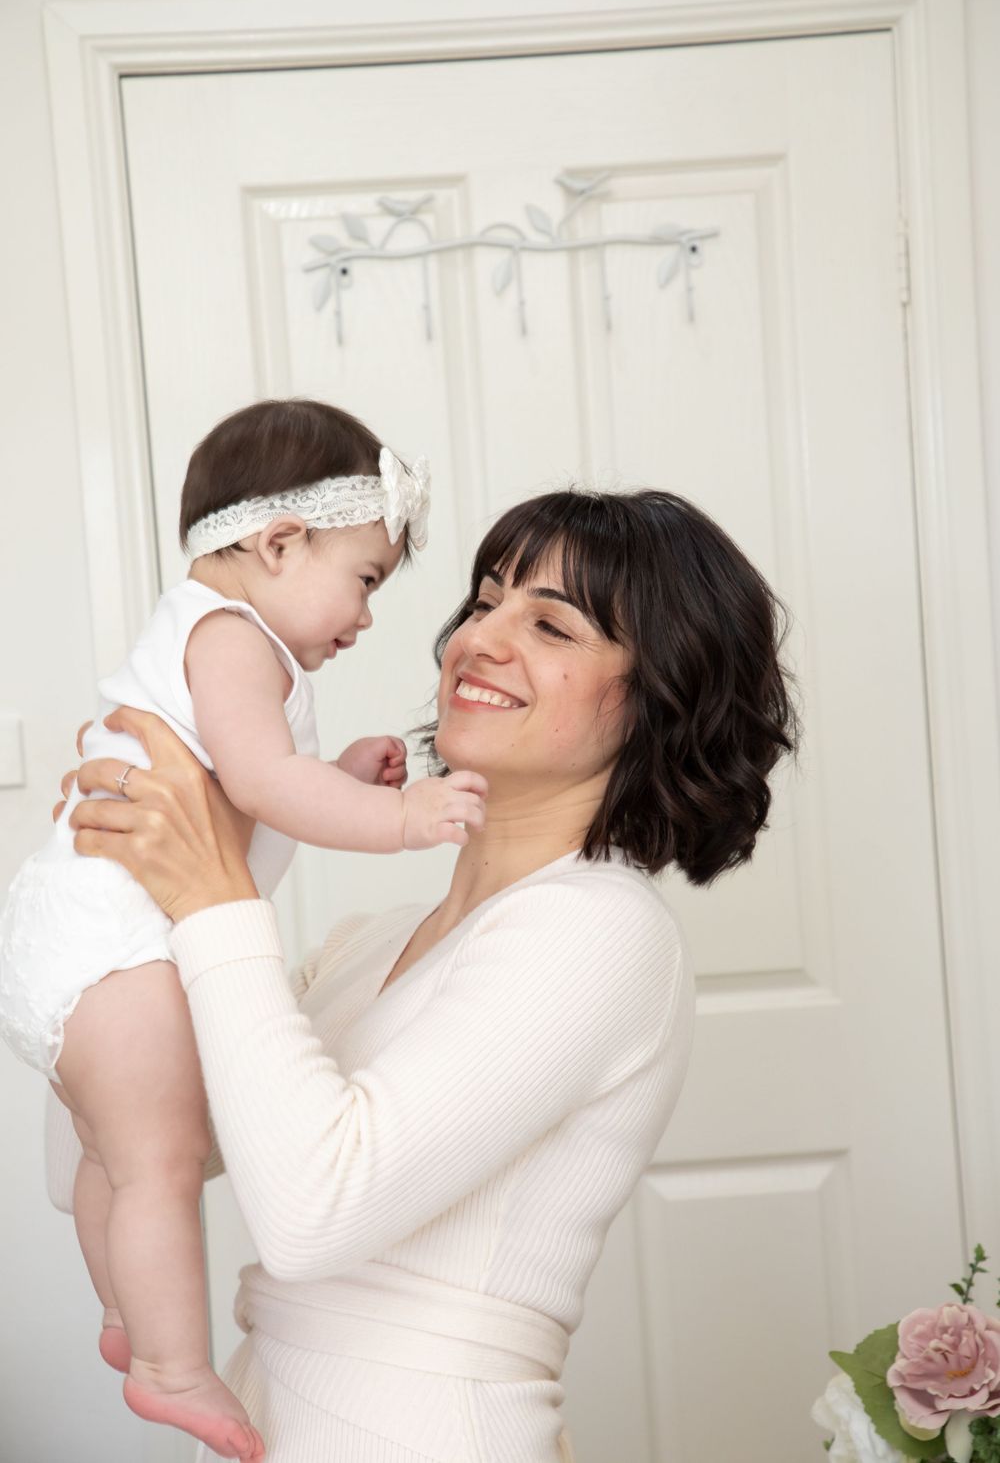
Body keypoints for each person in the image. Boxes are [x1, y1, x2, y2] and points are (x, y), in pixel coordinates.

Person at [47, 485, 800, 1463]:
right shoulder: (373, 942)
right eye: (483, 603)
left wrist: (209, 895)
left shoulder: (605, 932)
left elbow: (315, 1214)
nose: (479, 640)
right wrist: (103, 917)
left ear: (661, 694)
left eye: (551, 626)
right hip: (267, 1409)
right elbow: (111, 1157)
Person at [0, 399, 487, 1462]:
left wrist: (339, 778)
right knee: (161, 1163)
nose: (363, 619)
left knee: (112, 1158)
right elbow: (265, 783)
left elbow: (250, 790)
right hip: (118, 939)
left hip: (74, 934)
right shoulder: (235, 640)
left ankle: (129, 1314)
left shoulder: (209, 637)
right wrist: (402, 818)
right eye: (363, 581)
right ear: (276, 543)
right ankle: (174, 1367)